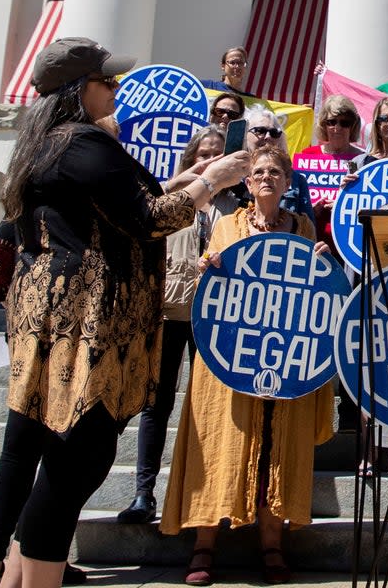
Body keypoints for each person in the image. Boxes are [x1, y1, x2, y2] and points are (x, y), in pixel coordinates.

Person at [0, 37, 248, 588]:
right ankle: (36, 577)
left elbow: (125, 202)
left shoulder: (51, 143)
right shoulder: (82, 142)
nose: (115, 88)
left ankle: (18, 572)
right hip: (89, 322)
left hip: (62, 316)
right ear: (78, 89)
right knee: (75, 459)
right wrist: (213, 180)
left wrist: (183, 182)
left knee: (71, 457)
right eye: (106, 81)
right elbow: (146, 219)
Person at [160, 145, 334, 586]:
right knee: (220, 445)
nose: (267, 178)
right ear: (248, 181)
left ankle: (272, 544)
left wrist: (321, 264)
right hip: (230, 359)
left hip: (284, 357)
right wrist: (209, 266)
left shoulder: (303, 227)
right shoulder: (226, 225)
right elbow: (212, 284)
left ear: (288, 182)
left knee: (278, 444)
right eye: (259, 172)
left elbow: (314, 291)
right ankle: (204, 546)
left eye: (276, 171)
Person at [117, 125, 240, 525]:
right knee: (157, 404)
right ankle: (144, 493)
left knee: (210, 405)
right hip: (169, 310)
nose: (210, 160)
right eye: (202, 154)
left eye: (217, 154)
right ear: (191, 160)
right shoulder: (170, 199)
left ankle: (209, 495)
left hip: (215, 314)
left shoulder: (237, 204)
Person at [0, 223, 87, 588]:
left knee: (18, 451)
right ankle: (34, 555)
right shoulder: (70, 196)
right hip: (66, 336)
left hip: (28, 329)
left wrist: (14, 308)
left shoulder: (27, 198)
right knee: (54, 454)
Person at [299, 96, 364, 253]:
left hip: (347, 242)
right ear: (324, 125)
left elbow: (365, 202)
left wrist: (344, 206)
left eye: (345, 122)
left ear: (353, 126)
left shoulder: (361, 160)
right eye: (331, 122)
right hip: (312, 238)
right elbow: (296, 200)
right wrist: (309, 208)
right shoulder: (308, 155)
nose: (337, 127)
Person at [243, 105, 314, 218]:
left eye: (274, 132)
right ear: (245, 134)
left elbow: (307, 230)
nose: (268, 137)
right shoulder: (230, 174)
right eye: (260, 131)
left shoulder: (296, 180)